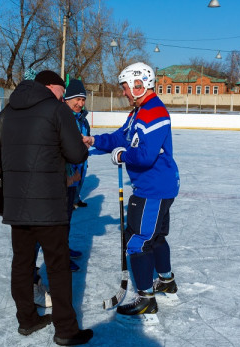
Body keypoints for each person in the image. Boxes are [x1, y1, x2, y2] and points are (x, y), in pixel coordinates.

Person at [0, 70, 93, 346]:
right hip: (49, 204)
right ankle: (66, 330)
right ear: (50, 87)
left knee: (22, 263)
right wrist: (82, 146)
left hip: (16, 202)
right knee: (58, 266)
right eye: (62, 90)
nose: (64, 96)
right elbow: (75, 154)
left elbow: (0, 154)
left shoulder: (8, 111)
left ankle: (27, 320)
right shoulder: (56, 110)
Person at [83, 62, 180, 321]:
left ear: (139, 85)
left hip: (153, 188)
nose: (124, 92)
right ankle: (166, 281)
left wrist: (123, 155)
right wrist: (95, 141)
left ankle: (146, 298)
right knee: (155, 237)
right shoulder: (139, 112)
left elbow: (145, 156)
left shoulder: (153, 112)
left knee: (137, 241)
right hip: (158, 185)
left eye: (126, 87)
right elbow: (120, 137)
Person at [64, 79, 89, 272]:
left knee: (67, 217)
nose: (80, 103)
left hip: (76, 172)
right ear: (67, 98)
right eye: (77, 99)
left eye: (83, 99)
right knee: (60, 220)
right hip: (64, 174)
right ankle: (59, 256)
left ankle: (63, 248)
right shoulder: (62, 117)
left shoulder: (82, 119)